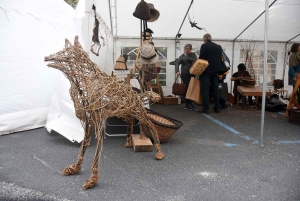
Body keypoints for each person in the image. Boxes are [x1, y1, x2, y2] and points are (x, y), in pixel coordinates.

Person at [198, 34, 224, 113]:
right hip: (215, 71)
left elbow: (201, 58)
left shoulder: (204, 46)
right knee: (216, 89)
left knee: (205, 89)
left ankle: (206, 108)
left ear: (204, 39)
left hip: (206, 70)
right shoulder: (217, 46)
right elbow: (219, 58)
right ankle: (217, 107)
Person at [175, 44, 198, 110]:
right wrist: (177, 71)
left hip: (192, 73)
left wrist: (187, 58)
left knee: (192, 88)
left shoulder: (193, 55)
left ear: (190, 49)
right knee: (187, 88)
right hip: (185, 73)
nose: (187, 50)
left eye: (188, 49)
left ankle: (190, 103)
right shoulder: (182, 56)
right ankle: (187, 104)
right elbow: (177, 63)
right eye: (186, 49)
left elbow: (195, 60)